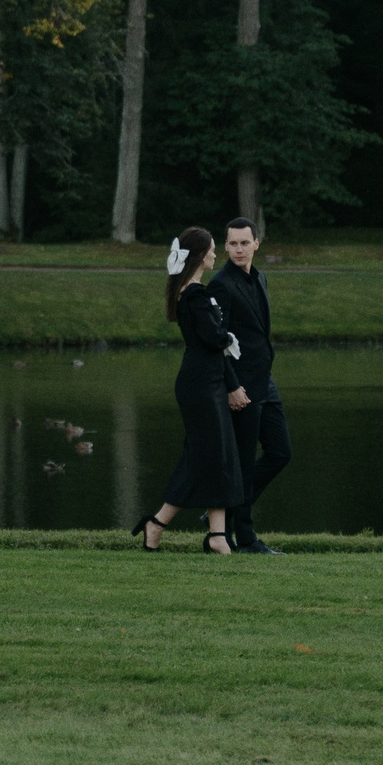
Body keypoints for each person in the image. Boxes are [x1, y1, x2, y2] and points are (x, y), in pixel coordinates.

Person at [131, 225, 246, 555]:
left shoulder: (198, 291)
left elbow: (214, 337)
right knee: (208, 455)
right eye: (211, 249)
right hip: (199, 384)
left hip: (208, 379)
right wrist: (229, 339)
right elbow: (212, 337)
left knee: (214, 455)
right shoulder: (193, 294)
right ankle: (162, 524)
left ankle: (215, 535)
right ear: (198, 255)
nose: (215, 254)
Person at [208, 216, 291, 554]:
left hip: (264, 381)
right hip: (241, 385)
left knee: (280, 452)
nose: (238, 249)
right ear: (225, 246)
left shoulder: (260, 279)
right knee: (242, 462)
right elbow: (217, 343)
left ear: (257, 243)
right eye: (232, 244)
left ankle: (225, 509)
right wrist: (232, 386)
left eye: (245, 243)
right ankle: (245, 538)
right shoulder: (221, 285)